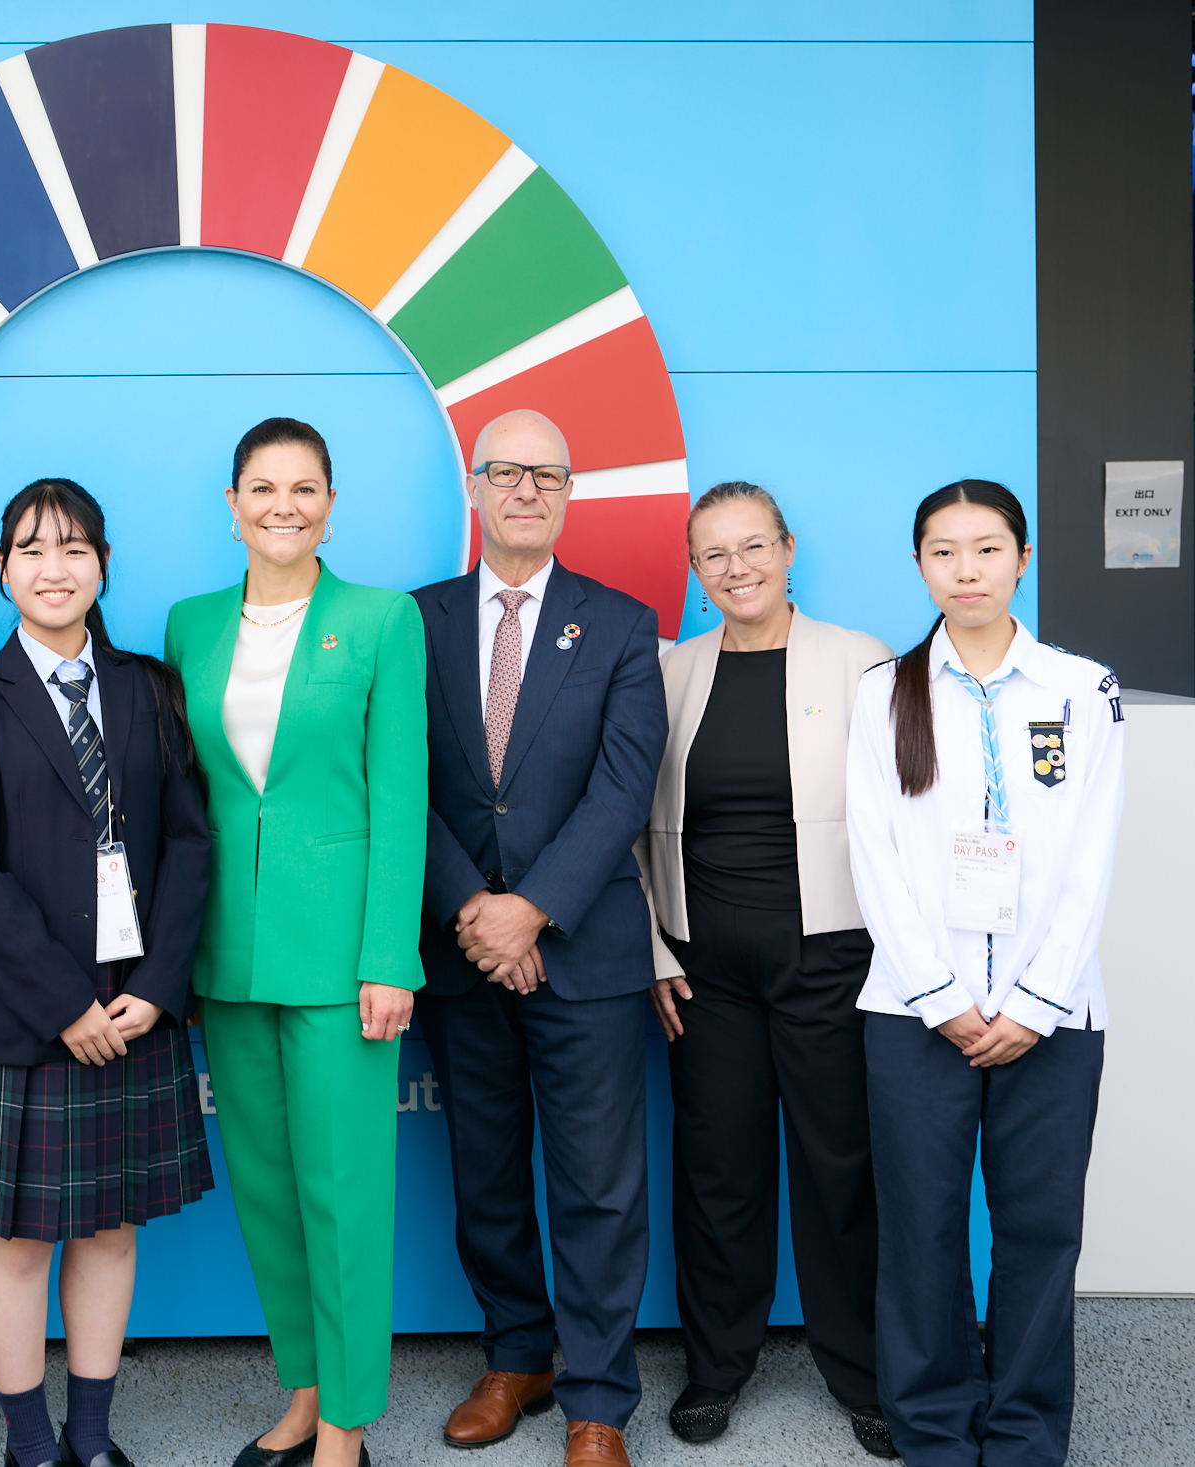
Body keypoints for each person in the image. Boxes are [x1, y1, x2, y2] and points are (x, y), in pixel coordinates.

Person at [0, 478, 214, 1467]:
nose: (55, 568)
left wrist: (157, 988)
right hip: (19, 1018)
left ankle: (90, 1436)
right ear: (2, 569)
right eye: (33, 549)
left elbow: (190, 844)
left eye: (75, 548)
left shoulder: (148, 687)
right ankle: (29, 1442)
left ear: (103, 565)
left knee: (109, 1232)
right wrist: (63, 1003)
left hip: (135, 1008)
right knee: (14, 1241)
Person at [163, 417, 426, 1467]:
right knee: (267, 1188)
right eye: (263, 488)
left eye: (304, 488)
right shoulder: (189, 624)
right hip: (226, 953)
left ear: (330, 503)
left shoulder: (379, 619)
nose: (283, 506)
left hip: (341, 962)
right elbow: (186, 799)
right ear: (232, 505)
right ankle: (306, 1391)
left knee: (343, 1191)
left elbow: (400, 798)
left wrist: (388, 958)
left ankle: (349, 1423)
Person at [847, 480, 1121, 1467]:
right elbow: (874, 855)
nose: (967, 571)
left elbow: (1091, 857)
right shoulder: (884, 691)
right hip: (915, 1013)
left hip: (1055, 1015)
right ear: (920, 566)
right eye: (944, 552)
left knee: (1040, 1230)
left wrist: (1038, 1002)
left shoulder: (1081, 690)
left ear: (1023, 557)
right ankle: (932, 1427)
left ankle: (1022, 1435)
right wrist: (941, 998)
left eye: (988, 549)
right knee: (920, 1228)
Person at [412, 409, 664, 1467]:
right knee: (485, 1172)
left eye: (547, 475)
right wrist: (474, 908)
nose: (526, 490)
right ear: (474, 487)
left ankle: (598, 1398)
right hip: (461, 949)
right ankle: (516, 1356)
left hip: (583, 949)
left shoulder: (621, 623)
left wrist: (533, 908)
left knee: (599, 1183)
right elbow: (400, 779)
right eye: (507, 472)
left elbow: (624, 787)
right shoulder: (413, 620)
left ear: (568, 493)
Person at [634, 482, 894, 1456]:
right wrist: (653, 948)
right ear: (694, 570)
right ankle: (716, 1367)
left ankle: (865, 1372)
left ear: (788, 550)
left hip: (833, 955)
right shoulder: (670, 671)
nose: (736, 568)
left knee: (841, 1169)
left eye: (753, 546)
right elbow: (627, 823)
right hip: (704, 967)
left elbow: (903, 812)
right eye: (714, 554)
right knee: (718, 1173)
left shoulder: (860, 659)